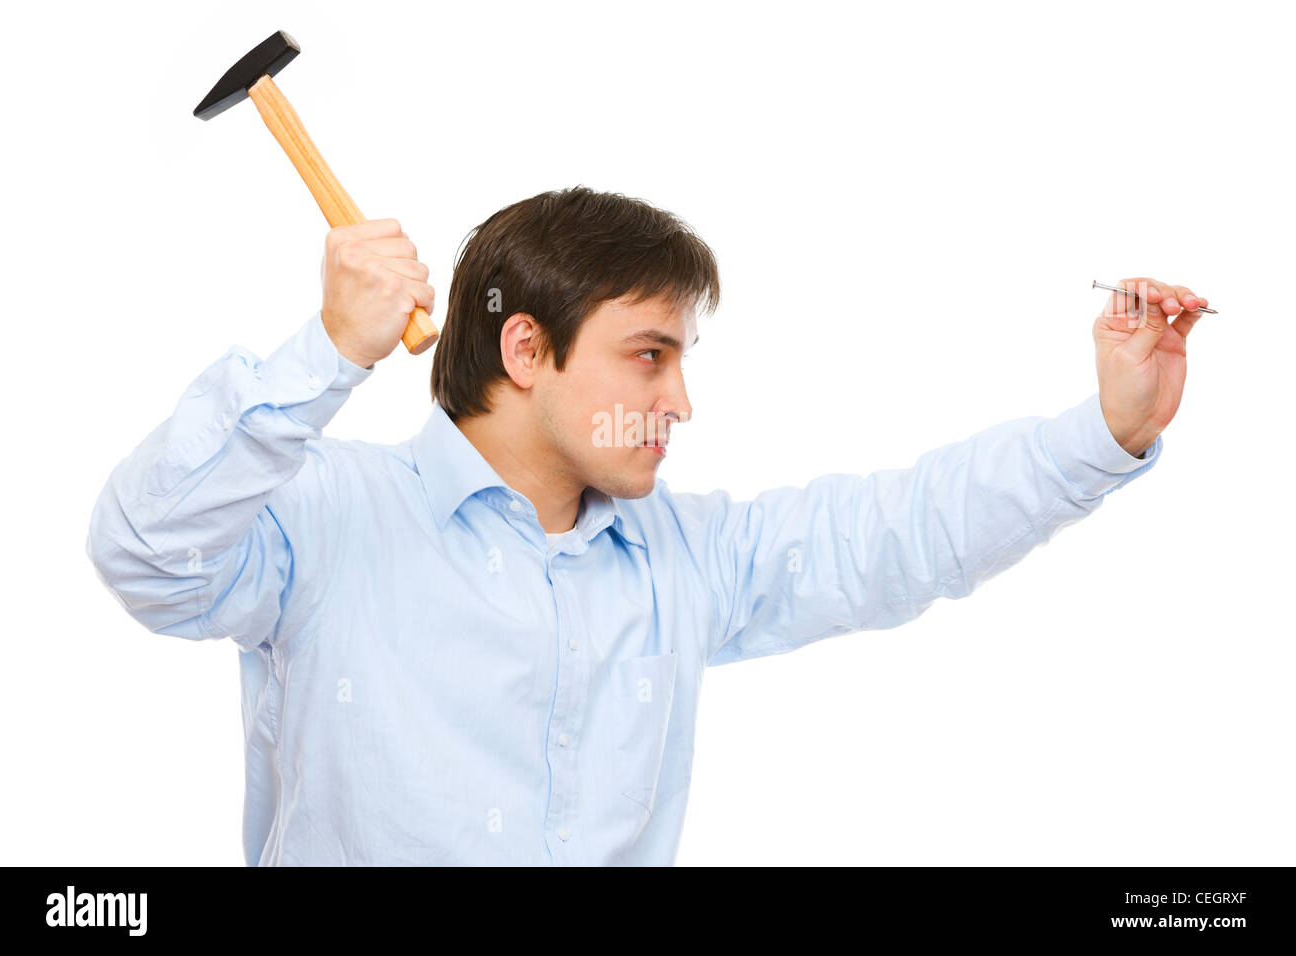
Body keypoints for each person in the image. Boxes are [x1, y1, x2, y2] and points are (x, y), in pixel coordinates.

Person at [85, 185, 1209, 866]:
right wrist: (326, 352)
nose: (679, 401)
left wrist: (1103, 431)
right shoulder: (328, 516)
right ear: (525, 349)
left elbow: (893, 533)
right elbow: (142, 551)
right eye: (648, 355)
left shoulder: (678, 555)